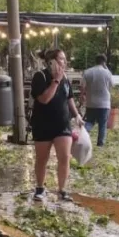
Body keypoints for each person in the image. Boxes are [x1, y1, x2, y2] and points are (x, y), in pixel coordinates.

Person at [30, 49, 81, 202]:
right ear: (51, 61)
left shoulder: (65, 78)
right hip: (42, 124)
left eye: (65, 60)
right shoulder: (40, 76)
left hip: (62, 124)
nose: (63, 63)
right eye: (60, 59)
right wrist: (56, 81)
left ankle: (62, 189)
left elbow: (69, 97)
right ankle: (40, 188)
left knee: (64, 157)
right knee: (42, 158)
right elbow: (44, 99)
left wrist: (77, 114)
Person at [80, 54, 113, 147]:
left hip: (91, 102)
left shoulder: (87, 72)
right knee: (102, 124)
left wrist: (82, 96)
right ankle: (100, 143)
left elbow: (82, 86)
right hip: (104, 102)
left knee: (89, 121)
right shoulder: (107, 73)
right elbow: (112, 85)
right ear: (104, 62)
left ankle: (84, 136)